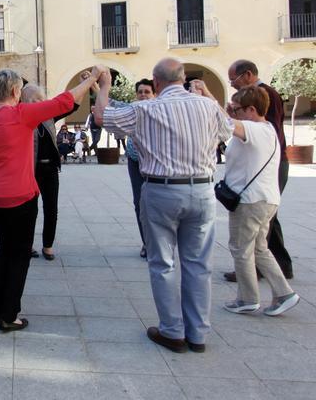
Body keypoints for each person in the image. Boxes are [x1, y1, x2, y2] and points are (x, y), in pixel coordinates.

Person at [95, 58, 233, 353]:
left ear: (156, 83)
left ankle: (172, 330)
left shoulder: (146, 109)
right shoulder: (207, 107)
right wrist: (207, 96)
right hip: (203, 189)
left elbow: (101, 117)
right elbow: (228, 131)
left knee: (163, 263)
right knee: (198, 265)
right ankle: (197, 334)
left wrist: (104, 86)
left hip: (162, 189)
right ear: (183, 79)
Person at [0, 69, 102, 332]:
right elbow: (63, 100)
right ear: (16, 92)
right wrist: (90, 80)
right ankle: (9, 315)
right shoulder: (22, 114)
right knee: (18, 255)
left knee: (3, 250)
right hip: (19, 197)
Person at [192, 82, 299, 317]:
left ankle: (247, 298)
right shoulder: (267, 128)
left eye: (237, 108)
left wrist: (206, 94)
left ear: (251, 109)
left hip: (251, 201)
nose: (234, 111)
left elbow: (225, 122)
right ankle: (284, 293)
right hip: (265, 199)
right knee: (260, 248)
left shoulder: (254, 130)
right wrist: (215, 99)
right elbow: (228, 120)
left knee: (240, 249)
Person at [224, 60, 293, 281]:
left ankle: (255, 272)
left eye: (233, 80)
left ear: (247, 75)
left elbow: (263, 130)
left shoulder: (263, 94)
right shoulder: (263, 96)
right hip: (272, 166)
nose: (233, 85)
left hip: (267, 172)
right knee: (266, 224)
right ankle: (280, 269)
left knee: (257, 232)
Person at [21, 83, 80, 261]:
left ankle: (48, 245)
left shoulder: (48, 116)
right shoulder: (21, 118)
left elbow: (72, 104)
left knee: (51, 208)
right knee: (29, 209)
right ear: (25, 101)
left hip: (50, 169)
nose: (40, 102)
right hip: (30, 170)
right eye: (35, 99)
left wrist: (88, 82)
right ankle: (27, 245)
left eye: (41, 98)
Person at [120, 79, 156, 258]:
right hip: (134, 160)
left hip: (152, 161)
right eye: (140, 92)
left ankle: (158, 242)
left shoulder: (158, 110)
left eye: (147, 92)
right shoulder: (132, 110)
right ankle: (147, 243)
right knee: (139, 202)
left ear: (154, 94)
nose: (143, 95)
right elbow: (114, 106)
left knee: (154, 203)